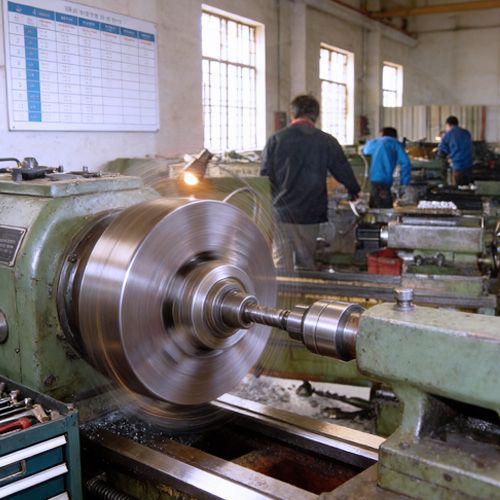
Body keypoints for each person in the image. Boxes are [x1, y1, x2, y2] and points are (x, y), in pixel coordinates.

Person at [261, 94, 361, 271]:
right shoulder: (326, 141)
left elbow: (264, 176)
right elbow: (342, 169)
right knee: (306, 263)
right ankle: (306, 288)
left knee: (281, 266)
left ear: (292, 114)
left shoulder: (275, 139)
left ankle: (281, 290)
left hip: (280, 213)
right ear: (316, 115)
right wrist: (354, 191)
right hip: (309, 213)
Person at [363, 127, 412, 209]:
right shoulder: (395, 143)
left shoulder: (372, 143)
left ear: (382, 134)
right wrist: (404, 183)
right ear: (395, 136)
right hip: (383, 183)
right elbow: (405, 163)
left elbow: (365, 153)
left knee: (372, 210)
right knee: (385, 211)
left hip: (368, 184)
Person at [438, 116, 474, 186]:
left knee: (459, 188)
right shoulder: (466, 133)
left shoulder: (448, 135)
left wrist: (446, 159)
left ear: (448, 125)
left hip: (458, 167)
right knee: (468, 188)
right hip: (469, 166)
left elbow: (442, 152)